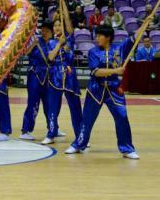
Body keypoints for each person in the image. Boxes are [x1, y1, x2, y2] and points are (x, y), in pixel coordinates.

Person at [64, 24, 139, 159]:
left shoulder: (119, 48)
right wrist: (116, 71)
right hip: (95, 89)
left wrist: (146, 21)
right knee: (87, 119)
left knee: (122, 117)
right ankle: (78, 144)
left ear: (108, 37)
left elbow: (136, 36)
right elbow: (96, 72)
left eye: (99, 36)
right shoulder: (93, 52)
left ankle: (127, 148)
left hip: (114, 89)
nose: (97, 38)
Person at [46, 12, 82, 144]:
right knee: (52, 107)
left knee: (75, 108)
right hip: (55, 76)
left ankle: (80, 136)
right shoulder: (50, 42)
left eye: (60, 25)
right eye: (55, 25)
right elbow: (50, 57)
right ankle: (51, 133)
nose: (57, 27)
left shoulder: (70, 39)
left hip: (70, 76)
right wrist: (58, 44)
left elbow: (67, 20)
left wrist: (62, 1)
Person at [20, 20, 56, 141]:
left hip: (48, 75)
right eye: (43, 30)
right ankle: (25, 130)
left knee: (49, 104)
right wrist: (33, 44)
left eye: (47, 31)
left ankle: (52, 127)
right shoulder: (35, 40)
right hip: (34, 74)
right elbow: (25, 52)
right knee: (32, 103)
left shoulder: (53, 43)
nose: (44, 33)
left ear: (52, 32)